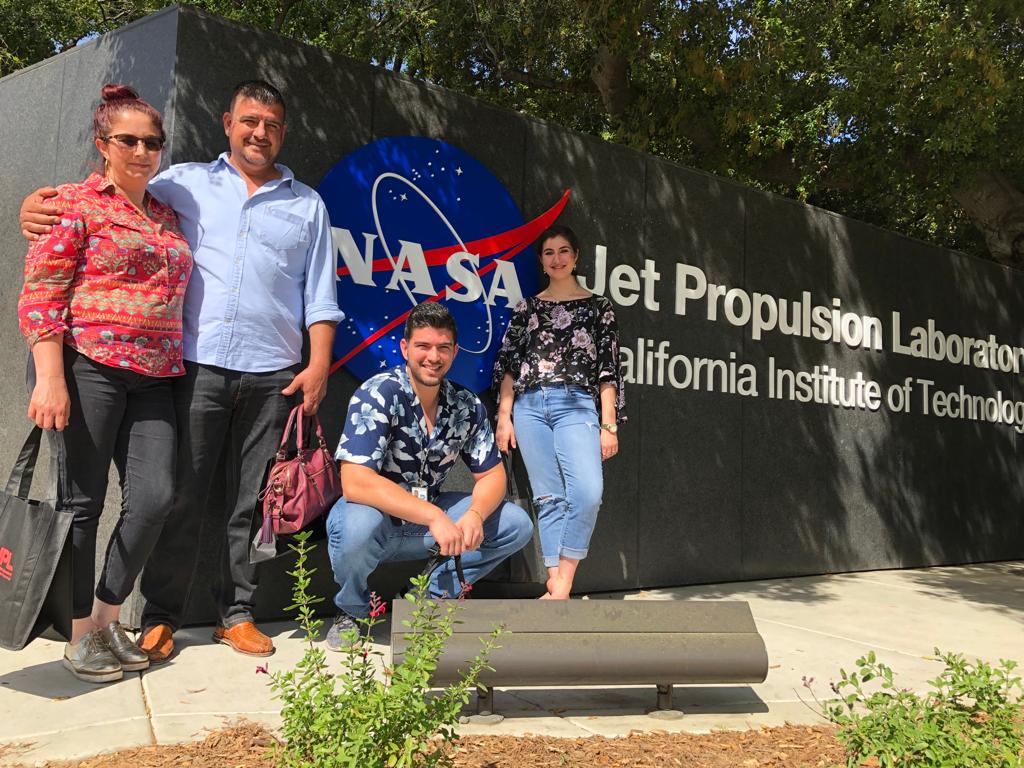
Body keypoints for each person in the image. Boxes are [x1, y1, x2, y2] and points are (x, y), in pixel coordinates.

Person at [19, 80, 343, 660]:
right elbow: (110, 195)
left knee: (248, 501)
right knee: (178, 497)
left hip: (273, 374)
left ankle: (236, 612)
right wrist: (36, 208)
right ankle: (160, 614)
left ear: (282, 132)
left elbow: (320, 295)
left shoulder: (308, 205)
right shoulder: (182, 184)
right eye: (249, 120)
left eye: (270, 124)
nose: (259, 132)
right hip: (192, 368)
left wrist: (318, 365)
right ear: (227, 121)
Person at [17, 84, 193, 682]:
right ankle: (76, 635)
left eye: (152, 141)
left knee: (154, 500)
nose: (143, 150)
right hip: (89, 368)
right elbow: (42, 296)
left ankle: (107, 614)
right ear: (103, 144)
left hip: (157, 378)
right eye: (129, 140)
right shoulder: (72, 203)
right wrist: (50, 378)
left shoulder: (167, 213)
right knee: (82, 506)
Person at [324, 302, 534, 649]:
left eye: (443, 347)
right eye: (423, 346)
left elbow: (493, 475)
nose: (432, 356)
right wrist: (434, 516)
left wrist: (475, 515)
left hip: (427, 522)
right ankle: (353, 611)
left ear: (454, 352)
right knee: (356, 528)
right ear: (405, 348)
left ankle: (428, 597)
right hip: (375, 520)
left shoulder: (465, 404)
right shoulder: (378, 393)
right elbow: (356, 481)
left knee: (516, 523)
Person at [492, 224, 624, 599]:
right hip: (529, 407)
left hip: (576, 404)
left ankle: (560, 585)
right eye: (549, 253)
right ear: (541, 261)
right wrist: (505, 416)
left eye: (564, 250)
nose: (557, 258)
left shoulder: (599, 307)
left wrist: (609, 424)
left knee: (586, 493)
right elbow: (509, 366)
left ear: (576, 256)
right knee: (548, 498)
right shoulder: (527, 308)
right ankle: (559, 590)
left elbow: (608, 370)